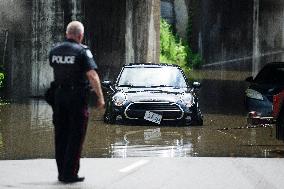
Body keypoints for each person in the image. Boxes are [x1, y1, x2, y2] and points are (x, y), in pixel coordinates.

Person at [48, 21, 105, 183]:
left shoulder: (54, 51)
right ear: (80, 36)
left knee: (61, 135)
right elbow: (92, 75)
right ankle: (70, 174)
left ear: (67, 34)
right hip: (76, 99)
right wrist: (100, 98)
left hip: (58, 98)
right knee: (76, 135)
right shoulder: (82, 51)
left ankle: (61, 173)